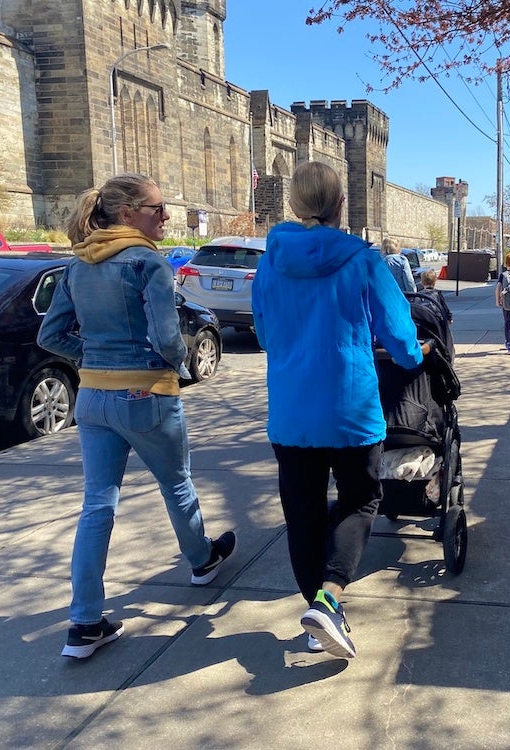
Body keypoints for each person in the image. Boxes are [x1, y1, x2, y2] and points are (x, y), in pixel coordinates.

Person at [37, 173, 236, 659]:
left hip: (92, 399)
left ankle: (84, 623)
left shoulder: (79, 263)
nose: (166, 216)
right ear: (128, 214)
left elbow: (51, 335)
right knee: (177, 483)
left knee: (97, 505)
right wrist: (169, 363)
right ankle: (201, 560)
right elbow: (168, 338)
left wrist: (91, 357)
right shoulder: (148, 262)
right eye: (158, 208)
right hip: (145, 395)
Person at [251, 161, 425, 659]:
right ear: (339, 205)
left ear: (293, 204)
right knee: (360, 498)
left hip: (291, 411)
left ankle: (318, 616)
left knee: (302, 513)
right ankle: (329, 597)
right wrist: (411, 357)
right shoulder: (363, 259)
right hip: (349, 410)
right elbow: (399, 332)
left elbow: (263, 333)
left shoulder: (270, 261)